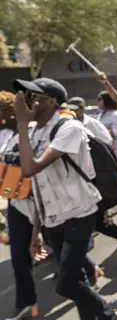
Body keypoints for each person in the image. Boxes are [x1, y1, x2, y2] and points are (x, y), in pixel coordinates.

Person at [12, 78, 117, 320]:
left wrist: (22, 124)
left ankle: (110, 316)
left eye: (34, 97)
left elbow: (30, 168)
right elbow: (38, 187)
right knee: (77, 280)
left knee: (65, 284)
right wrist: (36, 232)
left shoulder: (69, 128)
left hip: (78, 214)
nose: (28, 102)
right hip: (52, 220)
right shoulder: (34, 133)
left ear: (52, 101)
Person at [67, 96, 117, 262]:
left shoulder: (91, 124)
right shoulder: (68, 127)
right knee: (94, 222)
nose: (73, 112)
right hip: (81, 179)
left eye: (75, 109)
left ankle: (81, 266)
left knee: (91, 222)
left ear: (82, 109)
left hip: (94, 177)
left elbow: (105, 145)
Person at [0, 91, 41, 320]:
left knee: (67, 253)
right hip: (16, 203)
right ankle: (27, 301)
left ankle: (86, 270)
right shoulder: (7, 137)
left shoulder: (35, 133)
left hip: (41, 204)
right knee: (18, 257)